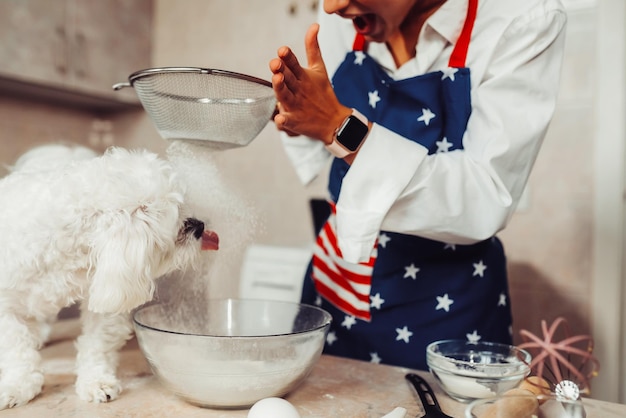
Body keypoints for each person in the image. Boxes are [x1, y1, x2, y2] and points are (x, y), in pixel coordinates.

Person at [269, 0, 567, 370]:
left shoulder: (522, 18)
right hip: (337, 286)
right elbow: (318, 145)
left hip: (450, 315)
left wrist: (340, 129)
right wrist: (302, 117)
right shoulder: (347, 16)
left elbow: (485, 195)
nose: (332, 6)